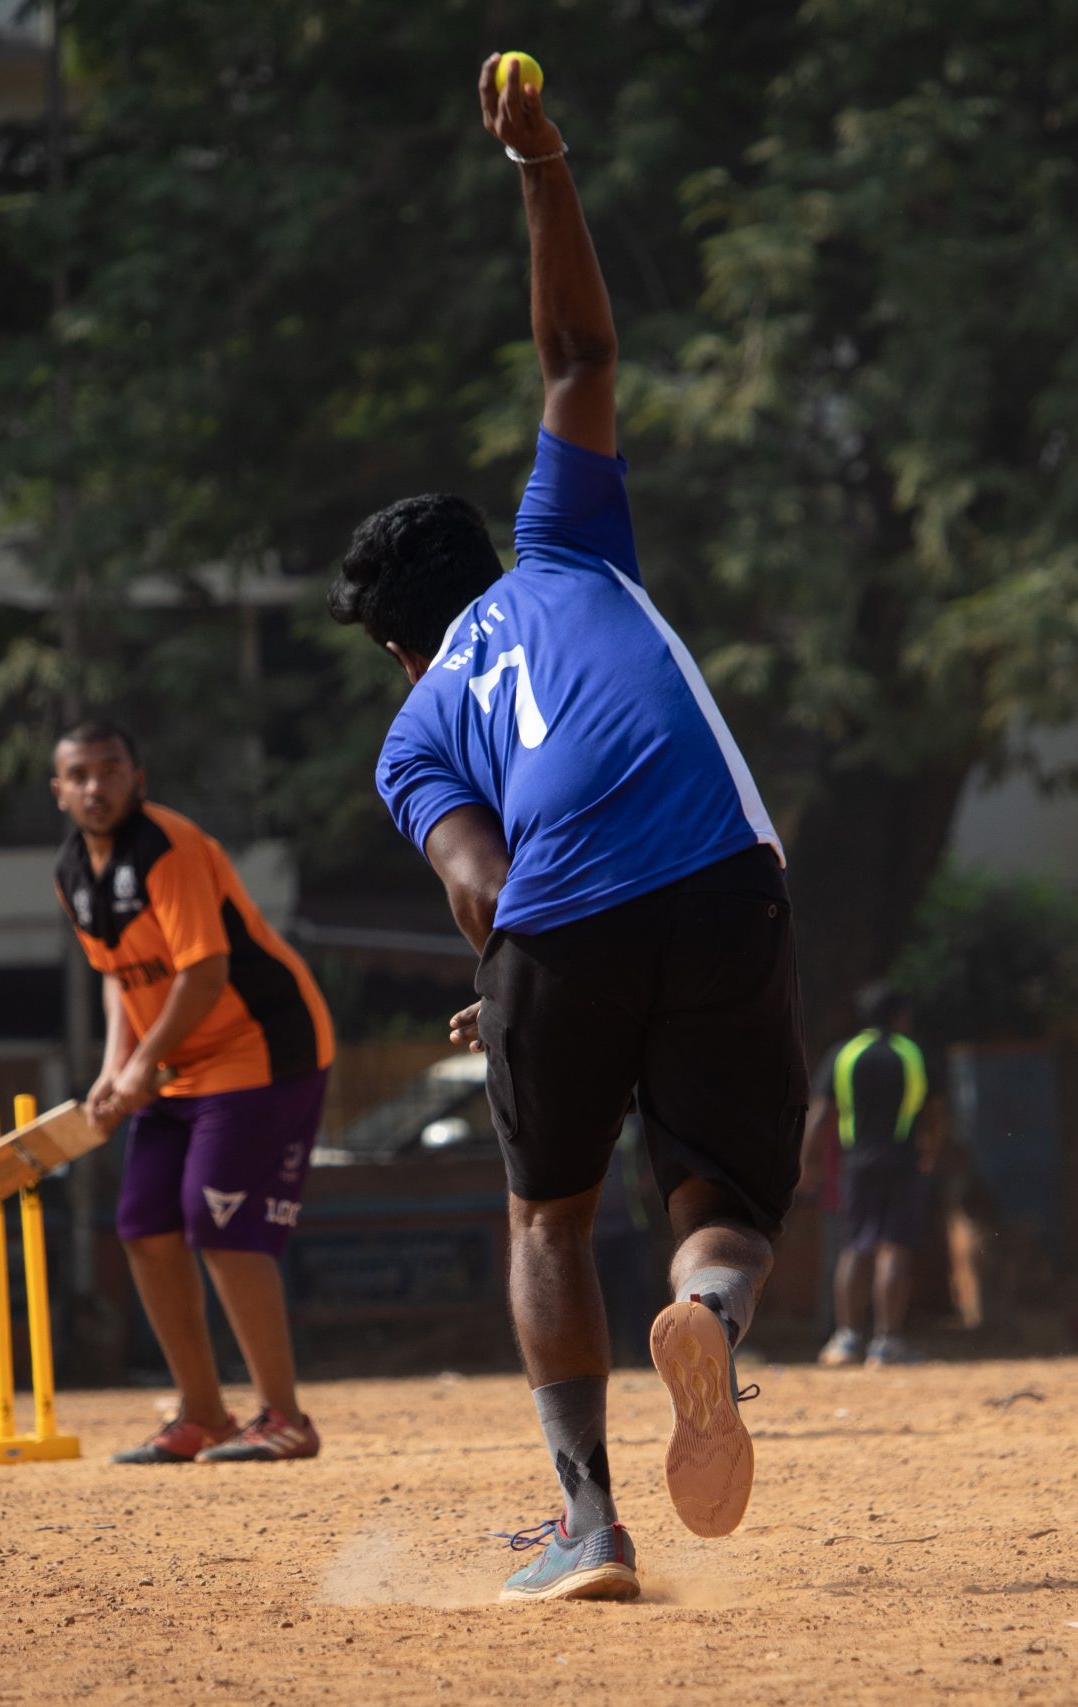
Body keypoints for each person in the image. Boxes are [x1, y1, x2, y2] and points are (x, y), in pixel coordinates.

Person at [330, 54, 805, 1604]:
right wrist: (540, 162)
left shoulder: (416, 724)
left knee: (547, 1211)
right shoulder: (569, 543)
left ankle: (592, 1524)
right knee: (724, 1197)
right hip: (722, 878)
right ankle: (711, 1324)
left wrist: (526, 974)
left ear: (400, 643)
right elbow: (578, 347)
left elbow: (482, 886)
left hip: (557, 926)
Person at [50, 719, 337, 1466]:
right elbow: (120, 976)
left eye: (110, 769)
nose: (95, 786)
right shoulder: (72, 873)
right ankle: (203, 1414)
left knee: (218, 1221)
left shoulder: (166, 848)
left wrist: (144, 1064)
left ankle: (284, 1416)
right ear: (58, 790)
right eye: (79, 774)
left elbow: (204, 971)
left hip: (262, 1046)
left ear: (137, 777)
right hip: (178, 1059)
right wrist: (117, 1071)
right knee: (144, 1226)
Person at [804, 984, 943, 1370]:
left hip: (856, 1165)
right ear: (900, 1015)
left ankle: (846, 1339)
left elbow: (819, 1115)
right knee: (894, 1247)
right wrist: (930, 1150)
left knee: (856, 1247)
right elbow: (934, 1111)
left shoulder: (844, 1054)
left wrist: (808, 1164)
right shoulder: (912, 1054)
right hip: (903, 1162)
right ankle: (887, 1343)